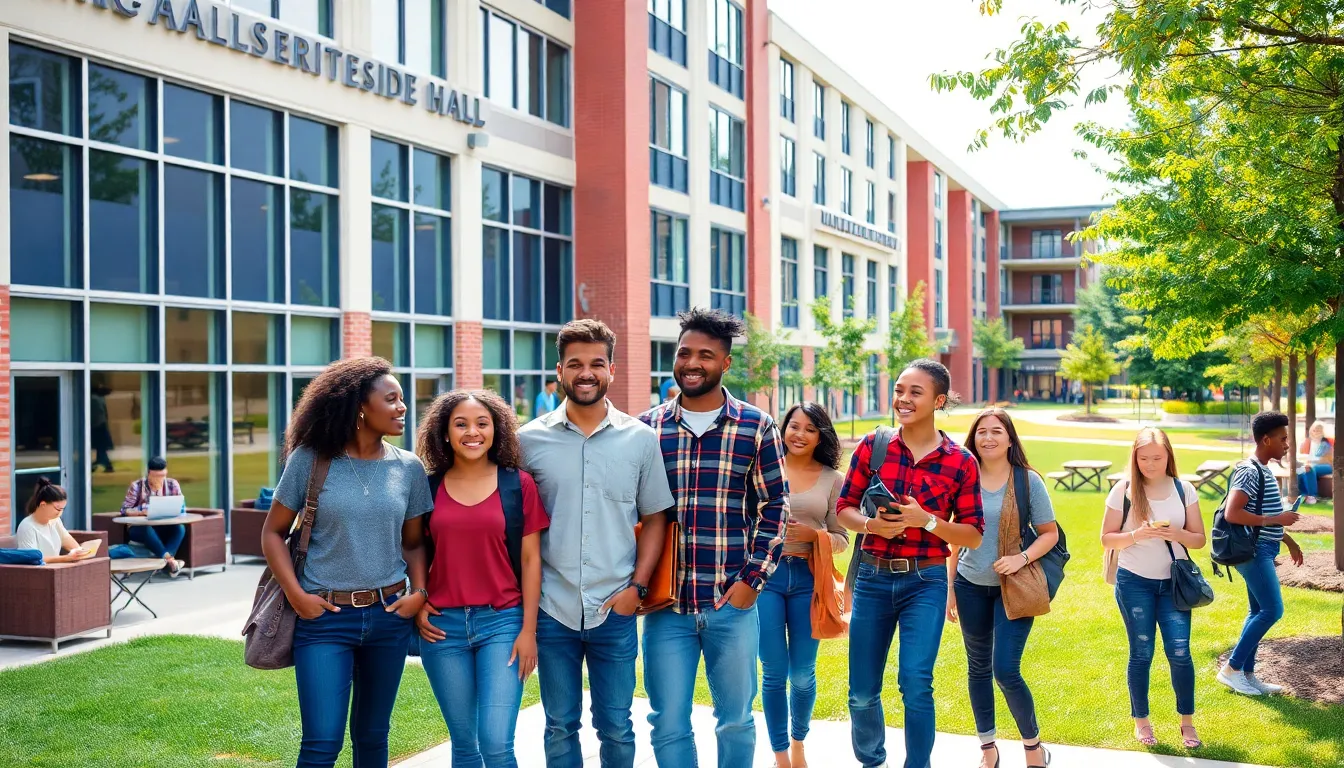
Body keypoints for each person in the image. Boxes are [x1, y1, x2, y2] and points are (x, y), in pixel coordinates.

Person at [261, 357, 432, 768]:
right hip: (324, 620)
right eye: (391, 399)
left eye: (402, 399)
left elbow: (413, 544)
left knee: (373, 738)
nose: (402, 407)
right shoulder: (312, 459)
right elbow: (272, 533)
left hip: (388, 617)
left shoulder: (408, 467)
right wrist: (297, 595)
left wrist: (419, 592)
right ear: (360, 405)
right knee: (321, 743)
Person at [519, 319, 675, 768]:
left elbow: (655, 518)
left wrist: (638, 590)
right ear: (559, 371)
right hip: (552, 609)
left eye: (595, 364)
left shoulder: (641, 440)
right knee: (559, 724)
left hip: (615, 607)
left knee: (616, 725)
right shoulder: (528, 441)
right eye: (575, 364)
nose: (585, 373)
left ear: (612, 369)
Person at [638, 307, 790, 768]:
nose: (692, 363)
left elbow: (776, 507)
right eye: (684, 353)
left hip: (731, 603)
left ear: (725, 363)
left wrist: (751, 583)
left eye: (706, 355)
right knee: (667, 722)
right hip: (666, 608)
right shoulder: (645, 429)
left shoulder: (755, 424)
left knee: (737, 720)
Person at [836, 358, 984, 768]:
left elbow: (973, 533)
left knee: (916, 683)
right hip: (873, 579)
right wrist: (871, 525)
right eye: (899, 389)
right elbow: (843, 507)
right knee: (861, 690)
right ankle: (872, 761)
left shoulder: (961, 461)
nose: (903, 398)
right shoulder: (874, 445)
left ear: (938, 400)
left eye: (915, 392)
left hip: (926, 582)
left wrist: (929, 521)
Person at [415, 389, 548, 768]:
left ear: (496, 430)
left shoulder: (517, 484)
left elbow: (531, 558)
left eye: (481, 423)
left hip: (502, 623)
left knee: (495, 743)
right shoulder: (429, 487)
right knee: (464, 745)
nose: (472, 432)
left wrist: (528, 631)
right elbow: (416, 550)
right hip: (443, 629)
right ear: (444, 433)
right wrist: (420, 597)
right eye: (461, 424)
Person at [948, 408, 1057, 768]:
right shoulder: (962, 478)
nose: (989, 438)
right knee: (977, 668)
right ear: (973, 439)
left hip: (1017, 587)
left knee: (1005, 670)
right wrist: (949, 587)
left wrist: (1020, 559)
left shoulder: (1027, 481)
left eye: (997, 431)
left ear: (1010, 438)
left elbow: (1050, 534)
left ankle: (1033, 748)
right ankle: (988, 749)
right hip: (969, 586)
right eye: (982, 432)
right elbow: (953, 538)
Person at [1101, 427, 1207, 749]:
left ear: (1168, 456)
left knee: (1179, 652)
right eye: (1143, 458)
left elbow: (1200, 539)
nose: (1150, 464)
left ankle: (1186, 723)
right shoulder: (1124, 490)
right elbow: (1106, 538)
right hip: (1134, 582)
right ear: (1134, 458)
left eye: (1157, 458)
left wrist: (1176, 534)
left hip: (1173, 584)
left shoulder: (1183, 489)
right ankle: (1142, 721)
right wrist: (1136, 535)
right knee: (1141, 652)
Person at [761, 401, 848, 768]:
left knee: (801, 673)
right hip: (765, 577)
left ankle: (799, 741)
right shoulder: (764, 468)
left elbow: (842, 537)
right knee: (773, 671)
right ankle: (781, 755)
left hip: (809, 581)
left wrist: (815, 535)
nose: (799, 434)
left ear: (820, 436)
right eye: (794, 426)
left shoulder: (832, 478)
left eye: (810, 429)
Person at [1216, 411, 1304, 697]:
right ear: (1266, 439)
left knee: (1257, 611)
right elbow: (1233, 512)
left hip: (1263, 547)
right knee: (1272, 610)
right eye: (1283, 438)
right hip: (1254, 552)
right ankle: (1231, 669)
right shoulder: (1249, 470)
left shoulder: (1264, 470)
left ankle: (1247, 675)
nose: (1287, 444)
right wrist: (1276, 518)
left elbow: (1263, 514)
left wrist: (1289, 541)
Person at [119, 456, 186, 575]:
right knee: (147, 530)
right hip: (140, 528)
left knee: (180, 529)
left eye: (162, 476)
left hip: (163, 526)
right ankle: (170, 561)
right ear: (149, 473)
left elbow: (181, 508)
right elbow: (124, 510)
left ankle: (166, 562)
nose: (159, 480)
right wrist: (142, 512)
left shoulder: (172, 484)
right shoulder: (137, 486)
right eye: (156, 476)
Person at [15, 478, 98, 563]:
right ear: (43, 504)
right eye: (58, 509)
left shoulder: (55, 521)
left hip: (56, 571)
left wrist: (80, 551)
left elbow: (67, 540)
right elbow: (32, 559)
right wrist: (66, 558)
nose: (60, 513)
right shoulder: (27, 526)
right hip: (38, 572)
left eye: (63, 509)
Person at [1296, 420, 1334, 504]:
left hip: (1327, 465)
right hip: (1312, 464)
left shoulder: (1325, 443)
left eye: (1319, 430)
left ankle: (1312, 496)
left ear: (1323, 431)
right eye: (1314, 430)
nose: (1316, 432)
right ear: (1311, 430)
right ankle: (1303, 494)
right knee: (1300, 470)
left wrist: (1306, 459)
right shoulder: (1309, 441)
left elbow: (1319, 459)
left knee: (1311, 468)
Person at [91, 384, 114, 473]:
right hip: (101, 424)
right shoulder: (100, 399)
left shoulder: (94, 399)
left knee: (100, 447)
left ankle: (106, 465)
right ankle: (101, 464)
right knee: (101, 447)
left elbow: (98, 415)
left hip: (97, 425)